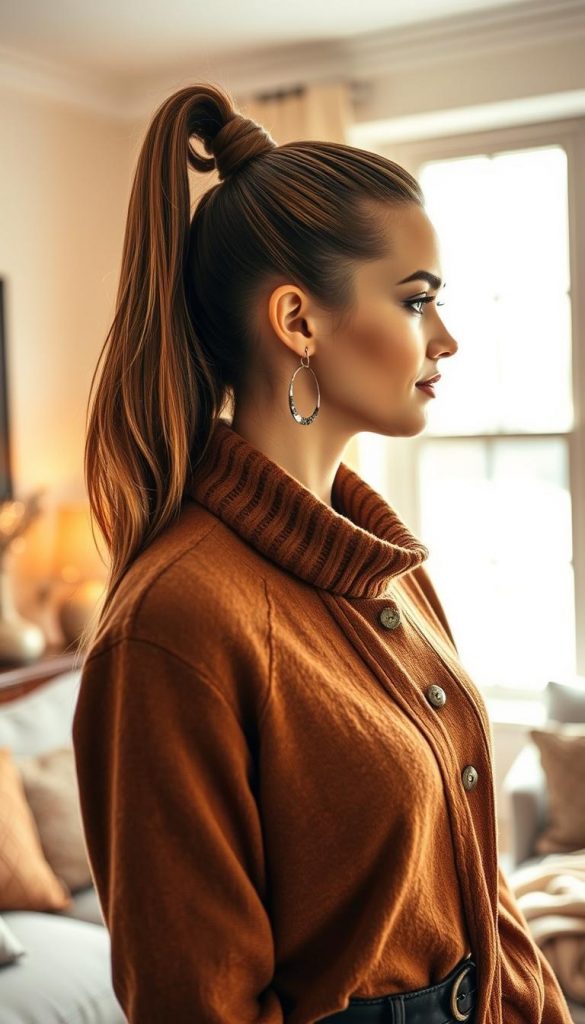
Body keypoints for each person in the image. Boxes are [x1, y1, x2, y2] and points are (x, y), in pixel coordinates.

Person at [71, 82, 573, 1024]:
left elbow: (481, 894)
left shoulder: (392, 568)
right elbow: (195, 1003)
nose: (446, 339)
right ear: (298, 322)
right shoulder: (176, 623)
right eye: (416, 301)